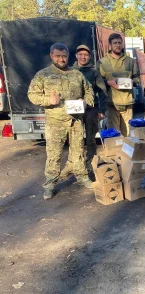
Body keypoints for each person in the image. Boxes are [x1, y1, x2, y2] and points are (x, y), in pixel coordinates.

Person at [27, 43, 94, 200]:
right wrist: (47, 100)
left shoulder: (76, 74)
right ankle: (50, 184)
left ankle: (82, 176)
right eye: (58, 56)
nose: (61, 59)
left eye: (64, 56)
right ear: (51, 55)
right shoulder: (43, 75)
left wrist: (86, 101)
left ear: (68, 56)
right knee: (54, 154)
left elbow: (89, 90)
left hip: (75, 121)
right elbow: (32, 94)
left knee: (78, 151)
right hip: (55, 122)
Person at [60, 45, 108, 178]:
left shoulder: (94, 72)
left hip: (91, 109)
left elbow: (103, 92)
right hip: (74, 111)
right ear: (76, 56)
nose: (83, 57)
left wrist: (102, 110)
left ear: (89, 57)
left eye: (86, 55)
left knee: (91, 138)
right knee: (74, 138)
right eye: (80, 54)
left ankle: (91, 164)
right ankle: (72, 165)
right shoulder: (69, 71)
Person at [98, 33, 139, 136]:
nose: (118, 45)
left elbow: (137, 79)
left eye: (120, 43)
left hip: (127, 104)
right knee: (114, 136)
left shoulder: (130, 61)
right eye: (115, 43)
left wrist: (131, 82)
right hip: (111, 104)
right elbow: (97, 82)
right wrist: (108, 82)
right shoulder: (102, 63)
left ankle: (126, 152)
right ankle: (116, 152)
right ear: (110, 45)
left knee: (129, 135)